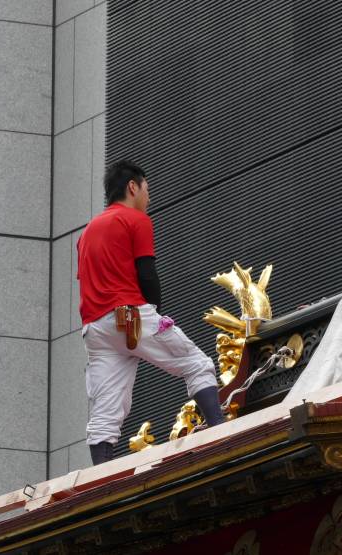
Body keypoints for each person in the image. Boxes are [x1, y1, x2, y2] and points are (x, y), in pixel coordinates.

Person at [77, 160, 225, 465]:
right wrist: (155, 312)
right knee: (197, 364)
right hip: (129, 316)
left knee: (105, 412)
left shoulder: (86, 233)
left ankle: (100, 480)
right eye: (147, 189)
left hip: (95, 329)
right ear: (133, 187)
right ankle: (222, 435)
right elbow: (147, 274)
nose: (149, 197)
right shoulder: (134, 219)